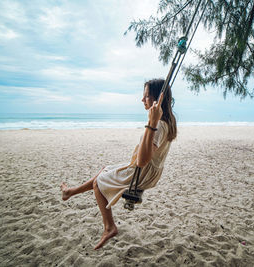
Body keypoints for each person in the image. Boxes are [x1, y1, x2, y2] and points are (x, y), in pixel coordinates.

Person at [60, 79, 177, 250]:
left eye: (146, 96)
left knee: (97, 184)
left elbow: (142, 161)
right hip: (147, 170)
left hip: (142, 172)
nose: (142, 100)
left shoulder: (158, 125)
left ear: (157, 100)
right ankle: (70, 192)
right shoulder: (166, 120)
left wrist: (151, 124)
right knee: (104, 170)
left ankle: (109, 227)